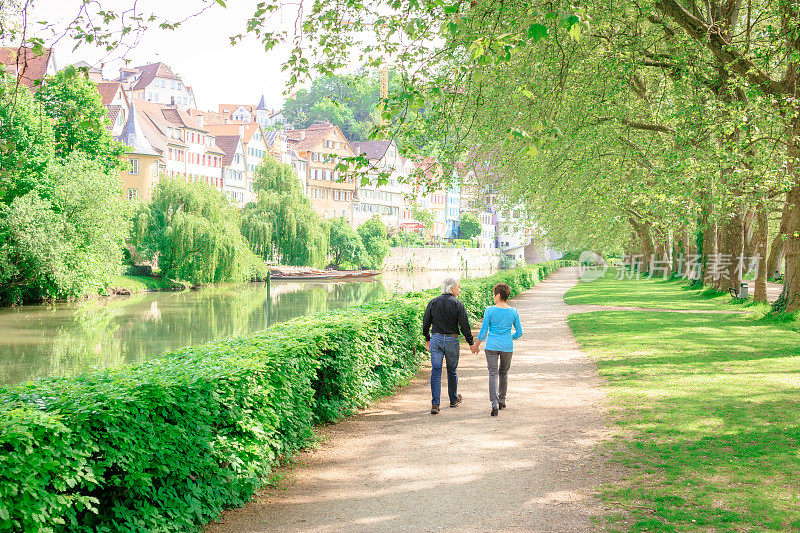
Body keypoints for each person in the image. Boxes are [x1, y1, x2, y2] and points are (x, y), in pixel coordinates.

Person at [422, 277, 476, 414]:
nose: (460, 289)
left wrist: (428, 338)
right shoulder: (457, 304)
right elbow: (464, 326)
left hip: (436, 339)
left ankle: (435, 403)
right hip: (452, 340)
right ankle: (453, 399)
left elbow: (425, 323)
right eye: (458, 287)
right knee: (452, 370)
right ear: (451, 288)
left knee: (436, 370)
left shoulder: (433, 302)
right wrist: (471, 342)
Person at [473, 283, 522, 417]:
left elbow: (483, 331)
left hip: (491, 346)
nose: (493, 297)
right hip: (507, 346)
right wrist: (510, 338)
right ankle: (502, 400)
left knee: (493, 374)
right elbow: (519, 332)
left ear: (498, 296)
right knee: (504, 373)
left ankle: (494, 404)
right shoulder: (513, 311)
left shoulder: (489, 310)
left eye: (494, 295)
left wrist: (476, 345)